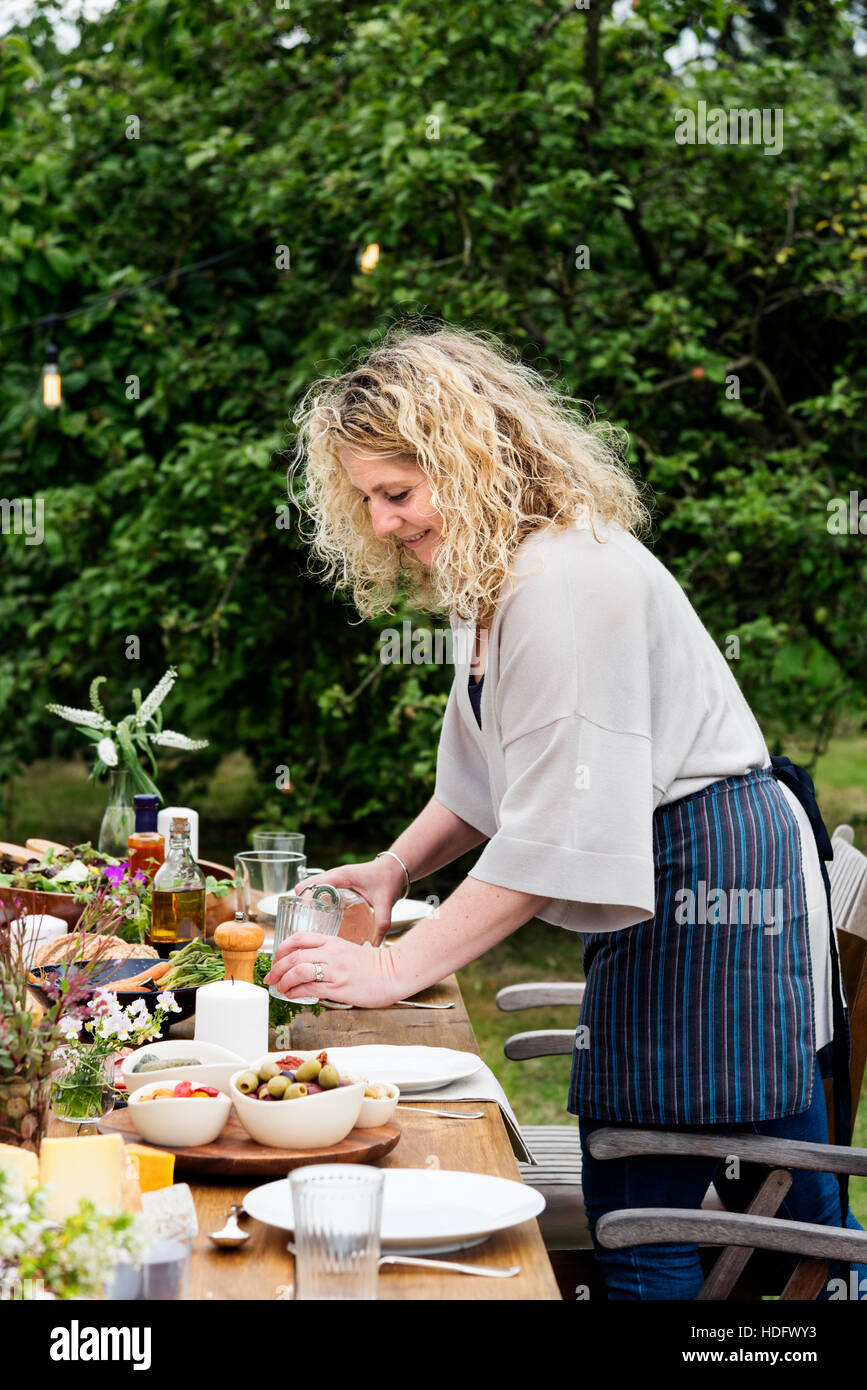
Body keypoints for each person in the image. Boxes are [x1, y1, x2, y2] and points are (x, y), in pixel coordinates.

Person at [266, 322, 865, 1300]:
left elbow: (547, 841)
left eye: (397, 493)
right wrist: (393, 870)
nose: (380, 525)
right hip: (686, 865)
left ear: (465, 461)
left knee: (647, 1201)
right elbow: (484, 781)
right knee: (775, 1196)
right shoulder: (496, 573)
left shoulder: (564, 583)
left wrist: (390, 967)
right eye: (367, 498)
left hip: (708, 877)